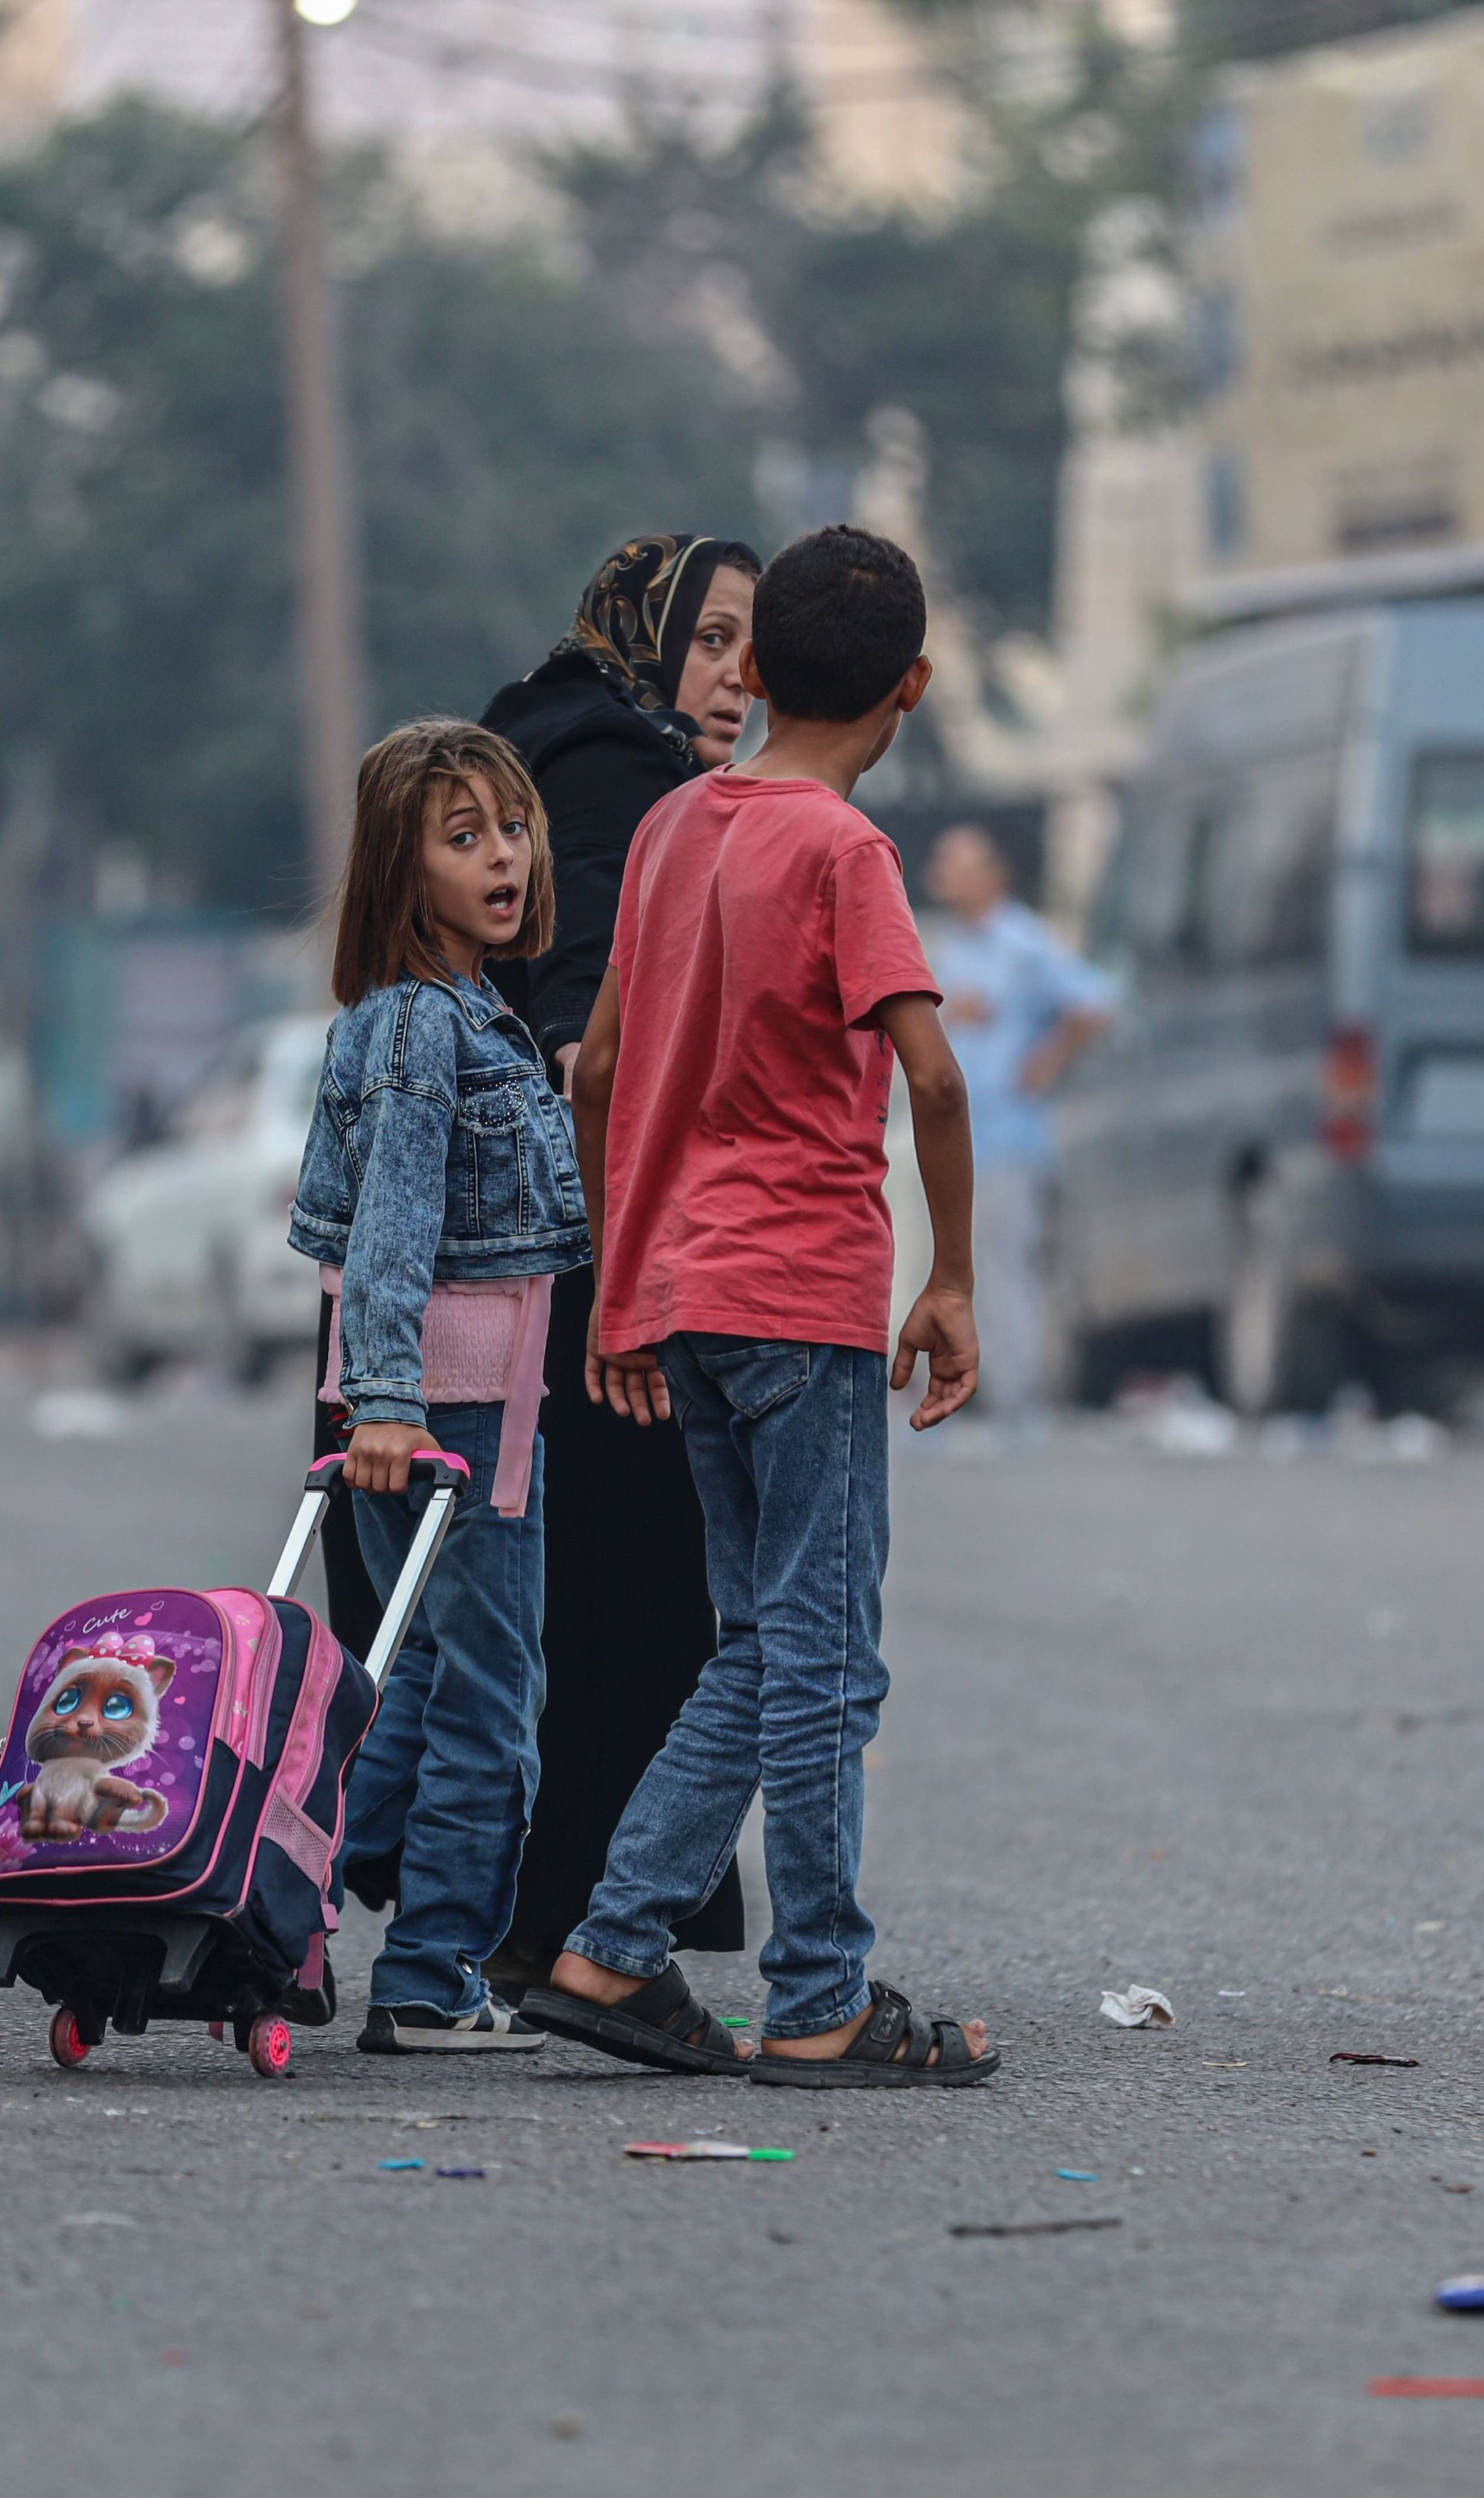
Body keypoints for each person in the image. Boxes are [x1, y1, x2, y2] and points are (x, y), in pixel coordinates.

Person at [525, 526, 998, 2089]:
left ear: (762, 668)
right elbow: (929, 1069)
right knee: (828, 1655)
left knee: (761, 1638)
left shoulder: (672, 827)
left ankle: (610, 1940)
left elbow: (591, 1070)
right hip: (801, 1290)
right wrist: (951, 1279)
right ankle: (818, 1991)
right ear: (909, 687)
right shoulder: (843, 852)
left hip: (677, 1289)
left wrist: (612, 1287)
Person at [393, 531, 760, 1984]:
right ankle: (578, 1923)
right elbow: (588, 1010)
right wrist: (628, 1252)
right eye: (717, 637)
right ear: (648, 632)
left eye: (756, 647)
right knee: (624, 1587)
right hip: (590, 1249)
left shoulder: (543, 738)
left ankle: (519, 1912)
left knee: (534, 1592)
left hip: (510, 1249)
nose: (742, 676)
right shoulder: (618, 763)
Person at [282, 719, 594, 2052]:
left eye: (511, 828)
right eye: (462, 839)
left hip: (458, 1404)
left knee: (405, 1684)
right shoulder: (424, 1027)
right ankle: (431, 1968)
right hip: (442, 1414)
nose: (502, 857)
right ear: (401, 874)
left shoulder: (463, 1013)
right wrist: (394, 1403)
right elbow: (392, 1228)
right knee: (490, 1693)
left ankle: (288, 1905)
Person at [919, 822, 1111, 1436]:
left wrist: (1046, 1061)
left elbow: (1095, 1002)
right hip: (957, 1137)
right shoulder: (954, 946)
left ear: (990, 876)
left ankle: (1015, 1400)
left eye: (957, 865)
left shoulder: (1023, 942)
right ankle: (973, 1392)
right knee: (957, 1265)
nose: (942, 877)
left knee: (1004, 1264)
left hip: (1007, 1136)